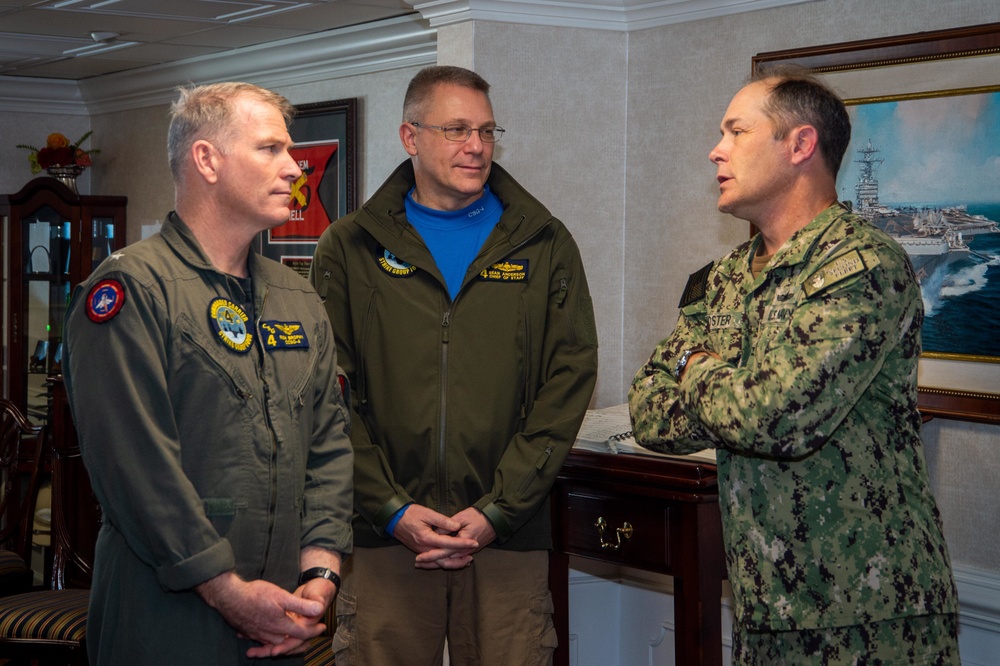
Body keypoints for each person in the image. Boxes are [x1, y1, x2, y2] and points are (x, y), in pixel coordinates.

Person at [629, 66, 961, 664]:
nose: (716, 151)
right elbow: (649, 411)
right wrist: (727, 389)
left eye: (736, 132)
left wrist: (694, 364)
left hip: (870, 616)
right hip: (763, 609)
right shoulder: (726, 277)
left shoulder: (864, 267)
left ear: (800, 145)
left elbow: (775, 419)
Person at [310, 65, 598, 665]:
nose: (477, 147)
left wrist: (499, 510)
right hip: (386, 536)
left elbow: (566, 384)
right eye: (458, 130)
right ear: (410, 137)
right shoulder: (350, 247)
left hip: (506, 537)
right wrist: (391, 510)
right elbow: (330, 398)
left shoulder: (543, 243)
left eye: (488, 131)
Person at [63, 82, 354, 665]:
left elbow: (329, 448)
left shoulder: (297, 297)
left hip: (282, 618)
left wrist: (321, 574)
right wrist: (224, 590)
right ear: (207, 160)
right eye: (270, 149)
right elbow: (137, 471)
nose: (293, 167)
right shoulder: (132, 290)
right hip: (165, 617)